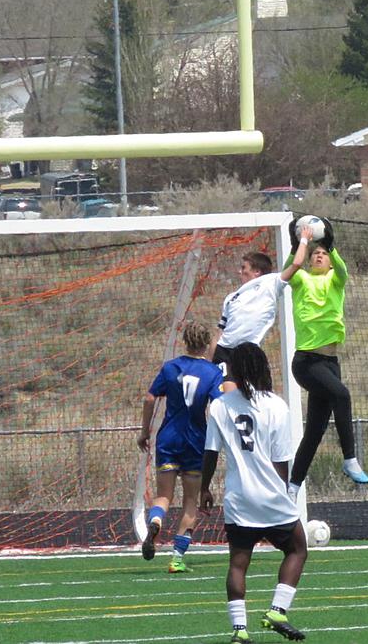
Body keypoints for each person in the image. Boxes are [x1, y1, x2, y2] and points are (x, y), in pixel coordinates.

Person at [201, 342, 308, 643]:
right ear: (262, 367)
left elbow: (210, 453)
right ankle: (277, 610)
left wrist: (205, 488)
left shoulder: (221, 405)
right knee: (298, 549)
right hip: (272, 495)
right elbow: (281, 460)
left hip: (239, 498)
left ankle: (239, 631)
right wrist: (284, 494)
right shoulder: (276, 405)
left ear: (233, 370)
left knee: (238, 561)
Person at [285, 218, 368, 502]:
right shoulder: (301, 280)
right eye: (314, 254)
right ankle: (350, 458)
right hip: (307, 363)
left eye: (323, 253)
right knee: (342, 396)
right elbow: (293, 264)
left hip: (330, 364)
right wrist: (300, 241)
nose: (318, 255)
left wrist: (329, 244)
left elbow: (343, 269)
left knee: (314, 432)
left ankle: (292, 487)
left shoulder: (336, 280)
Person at [137, 322, 224, 573]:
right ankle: (176, 559)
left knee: (164, 496)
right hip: (196, 440)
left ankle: (155, 522)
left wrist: (145, 432)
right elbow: (219, 405)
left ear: (185, 341)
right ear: (207, 344)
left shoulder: (170, 367)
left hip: (169, 438)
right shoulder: (212, 372)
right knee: (190, 501)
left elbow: (150, 397)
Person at [210, 250, 304, 392]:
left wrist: (303, 239)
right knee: (228, 396)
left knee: (260, 396)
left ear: (257, 272)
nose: (239, 271)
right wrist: (207, 363)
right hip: (224, 353)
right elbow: (219, 333)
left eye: (243, 268)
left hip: (249, 352)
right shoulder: (231, 297)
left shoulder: (271, 284)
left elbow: (296, 264)